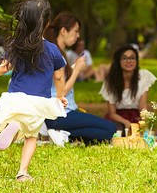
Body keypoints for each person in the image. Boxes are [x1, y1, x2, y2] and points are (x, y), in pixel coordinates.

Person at [0, 0, 67, 181]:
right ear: (47, 24)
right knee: (31, 137)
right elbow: (59, 75)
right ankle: (22, 172)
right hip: (38, 101)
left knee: (14, 123)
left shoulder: (16, 45)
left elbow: (3, 68)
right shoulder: (52, 49)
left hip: (15, 98)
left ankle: (13, 127)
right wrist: (60, 97)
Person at [43, 12, 117, 145]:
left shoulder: (60, 52)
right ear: (64, 31)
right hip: (58, 114)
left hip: (65, 112)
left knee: (106, 131)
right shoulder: (54, 53)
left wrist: (74, 68)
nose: (78, 36)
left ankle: (64, 135)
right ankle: (59, 133)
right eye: (76, 31)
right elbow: (61, 93)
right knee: (111, 130)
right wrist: (76, 70)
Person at [99, 44, 157, 130]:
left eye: (132, 58)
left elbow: (142, 107)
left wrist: (145, 125)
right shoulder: (111, 82)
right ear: (119, 61)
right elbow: (112, 113)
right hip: (117, 118)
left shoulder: (143, 77)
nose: (129, 61)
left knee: (136, 134)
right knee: (116, 131)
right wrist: (125, 122)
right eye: (125, 58)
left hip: (135, 116)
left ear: (136, 61)